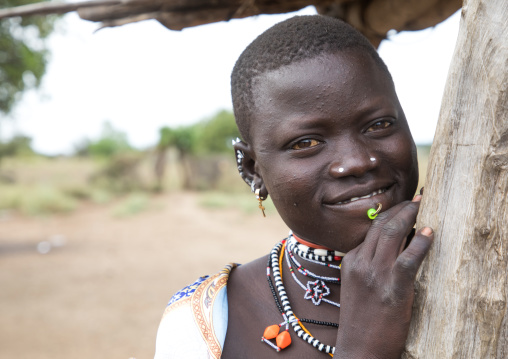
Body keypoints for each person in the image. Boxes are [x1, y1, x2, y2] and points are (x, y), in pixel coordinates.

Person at [154, 15, 434, 359]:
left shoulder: (487, 265)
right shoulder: (204, 323)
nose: (357, 161)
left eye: (379, 124)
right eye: (306, 143)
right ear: (253, 169)